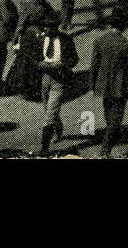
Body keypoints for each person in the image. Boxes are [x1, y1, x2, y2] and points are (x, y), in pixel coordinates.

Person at [88, 5, 128, 158]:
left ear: (110, 24)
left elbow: (94, 66)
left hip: (103, 85)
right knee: (116, 119)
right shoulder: (127, 44)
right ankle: (105, 149)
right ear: (124, 26)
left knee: (109, 113)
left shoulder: (99, 41)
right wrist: (127, 81)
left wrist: (93, 84)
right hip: (119, 86)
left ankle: (112, 136)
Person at [35, 11, 78, 156]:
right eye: (45, 27)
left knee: (49, 115)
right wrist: (40, 64)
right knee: (48, 109)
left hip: (59, 81)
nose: (46, 30)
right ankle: (58, 127)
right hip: (44, 79)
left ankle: (44, 147)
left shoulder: (66, 40)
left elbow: (74, 59)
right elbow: (33, 57)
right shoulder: (40, 40)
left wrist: (62, 65)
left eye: (50, 27)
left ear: (56, 27)